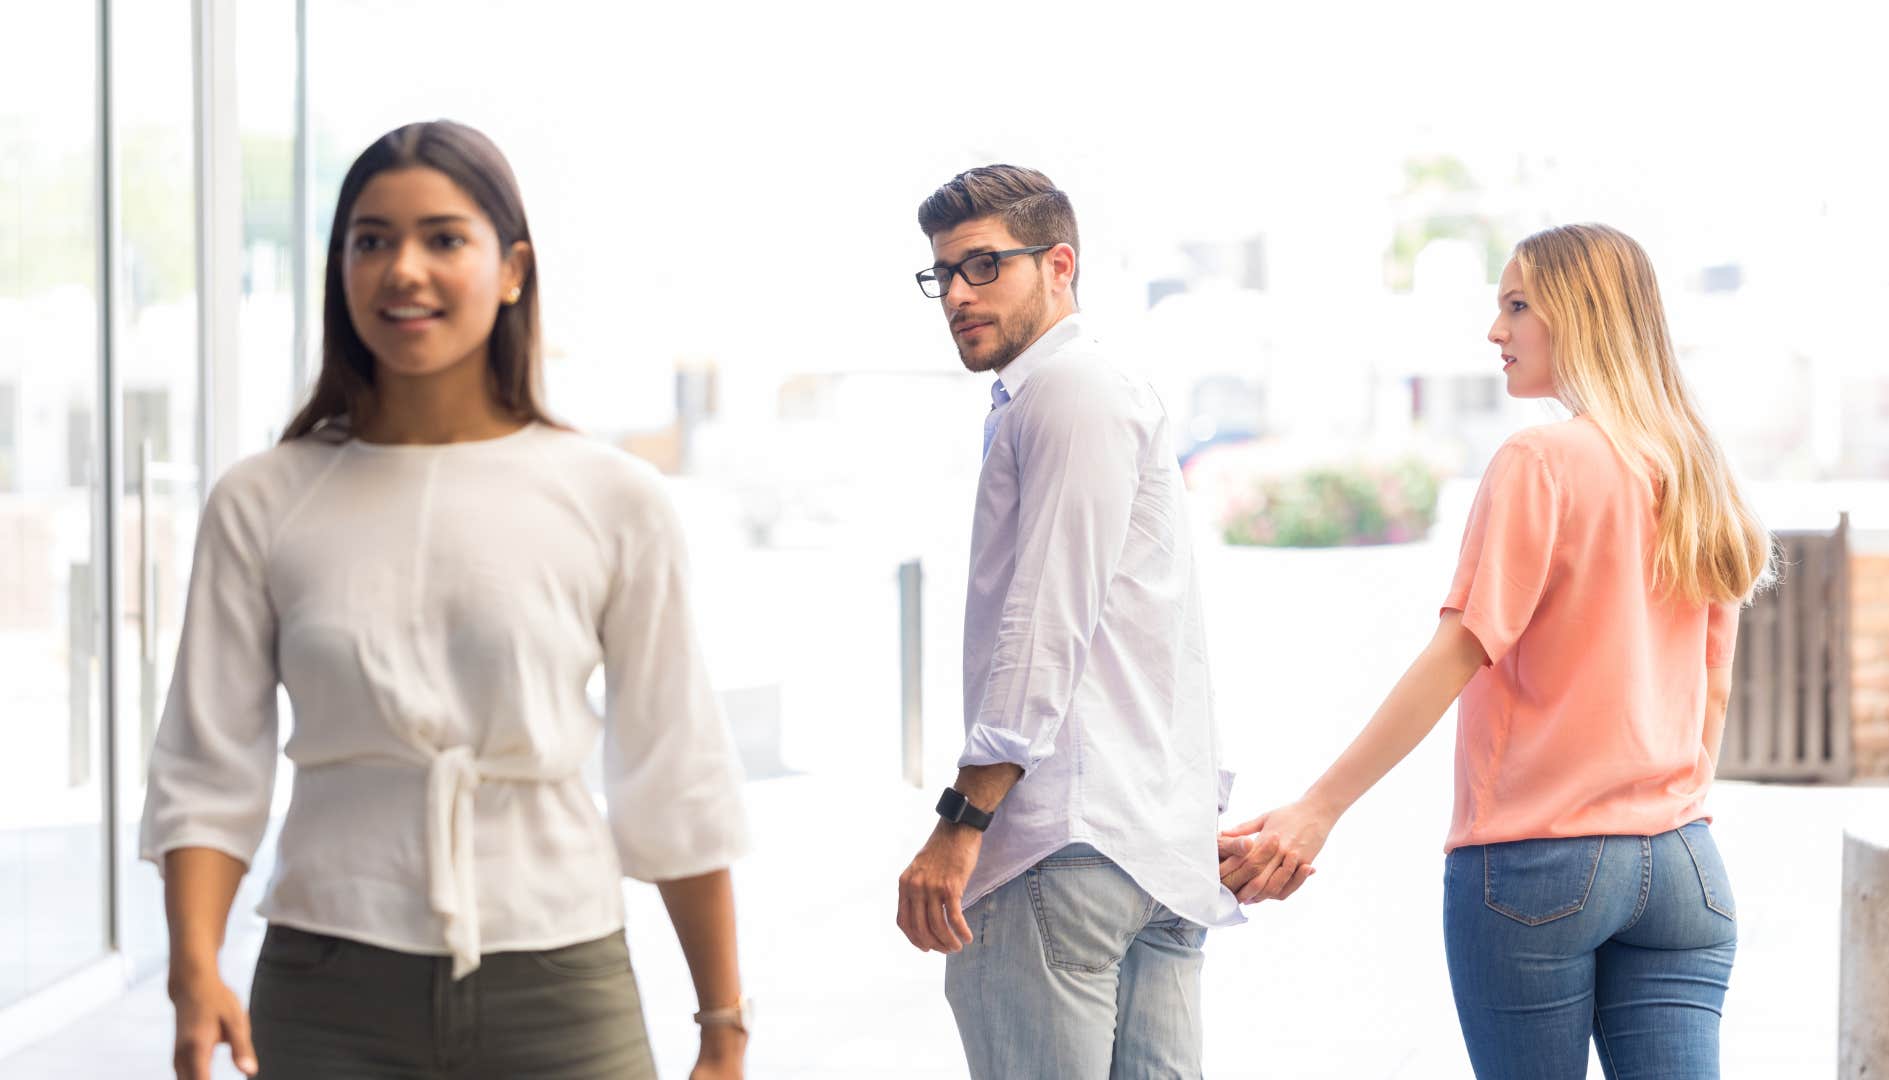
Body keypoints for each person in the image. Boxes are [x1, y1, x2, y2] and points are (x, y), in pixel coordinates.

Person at [141, 120, 751, 1080]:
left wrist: (724, 1022)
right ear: (341, 267)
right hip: (325, 976)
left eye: (443, 238)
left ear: (511, 269)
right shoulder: (263, 499)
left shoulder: (608, 495)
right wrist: (193, 971)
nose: (403, 270)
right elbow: (208, 768)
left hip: (559, 978)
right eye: (371, 240)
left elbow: (674, 771)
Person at [1219, 223, 1773, 1079]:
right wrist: (1662, 812)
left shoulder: (1540, 460)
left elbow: (1458, 654)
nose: (1495, 332)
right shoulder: (1696, 466)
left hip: (1536, 868)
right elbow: (1715, 684)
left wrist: (1319, 806)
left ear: (1583, 317)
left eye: (1517, 306)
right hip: (1683, 868)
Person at [894, 164, 1244, 1079]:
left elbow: (1045, 625)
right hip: (1145, 854)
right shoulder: (1084, 393)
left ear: (1059, 264)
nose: (958, 296)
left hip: (1068, 850)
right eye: (943, 274)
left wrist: (959, 822)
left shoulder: (1069, 389)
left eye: (983, 267)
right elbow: (1152, 631)